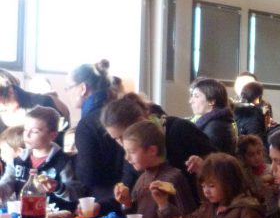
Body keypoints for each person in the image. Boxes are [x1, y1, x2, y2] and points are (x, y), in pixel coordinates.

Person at [102, 93, 215, 200]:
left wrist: (203, 166)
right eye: (116, 139)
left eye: (123, 136)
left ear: (140, 121)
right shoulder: (131, 152)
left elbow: (225, 169)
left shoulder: (180, 130)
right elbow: (130, 193)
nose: (122, 143)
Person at [65, 60, 121, 203]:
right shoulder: (119, 112)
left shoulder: (87, 124)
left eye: (68, 88)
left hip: (102, 200)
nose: (67, 93)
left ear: (83, 88)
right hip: (127, 192)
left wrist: (73, 161)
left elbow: (87, 176)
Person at [185, 153, 264, 218]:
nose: (206, 191)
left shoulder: (246, 206)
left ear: (229, 183)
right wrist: (165, 208)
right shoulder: (207, 207)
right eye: (203, 186)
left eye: (211, 186)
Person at [0, 70, 67, 147]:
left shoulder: (43, 103)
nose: (2, 109)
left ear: (11, 92)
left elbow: (60, 140)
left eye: (4, 102)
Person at [189, 77, 236, 154]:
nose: (191, 101)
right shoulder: (218, 121)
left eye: (196, 96)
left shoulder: (215, 127)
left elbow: (209, 159)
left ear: (211, 101)